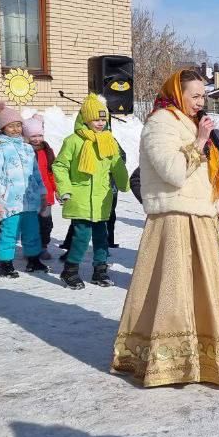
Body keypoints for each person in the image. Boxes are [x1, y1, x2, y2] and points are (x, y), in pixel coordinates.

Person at [113, 69, 219, 386]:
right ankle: (171, 359)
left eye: (202, 95)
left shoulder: (188, 121)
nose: (200, 101)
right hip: (175, 217)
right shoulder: (161, 123)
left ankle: (207, 352)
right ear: (178, 95)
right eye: (194, 96)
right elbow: (173, 172)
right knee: (174, 289)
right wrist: (200, 141)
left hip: (200, 215)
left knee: (208, 288)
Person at [53, 94, 127, 290]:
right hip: (81, 198)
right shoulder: (74, 141)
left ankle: (100, 270)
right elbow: (60, 166)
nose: (100, 123)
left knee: (102, 237)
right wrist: (65, 189)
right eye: (96, 119)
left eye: (104, 119)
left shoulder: (109, 140)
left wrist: (124, 182)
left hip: (102, 199)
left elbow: (116, 165)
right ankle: (70, 270)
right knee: (81, 237)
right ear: (85, 119)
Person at [0, 101, 45, 279]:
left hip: (29, 199)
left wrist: (41, 192)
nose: (16, 129)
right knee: (9, 233)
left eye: (18, 125)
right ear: (3, 127)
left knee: (32, 231)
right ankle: (5, 263)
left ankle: (33, 260)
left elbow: (36, 173)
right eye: (11, 126)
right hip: (9, 201)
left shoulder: (28, 148)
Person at [23, 115, 58, 257]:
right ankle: (30, 249)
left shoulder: (47, 151)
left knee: (45, 224)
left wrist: (57, 189)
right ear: (26, 136)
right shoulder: (22, 151)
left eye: (39, 135)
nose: (37, 139)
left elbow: (52, 173)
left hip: (46, 196)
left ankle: (43, 246)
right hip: (29, 196)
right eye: (33, 136)